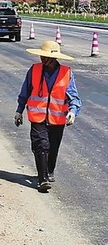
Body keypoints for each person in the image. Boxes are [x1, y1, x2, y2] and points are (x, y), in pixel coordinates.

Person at [14, 40, 82, 192]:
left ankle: (49, 171)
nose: (43, 59)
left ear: (54, 58)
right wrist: (19, 110)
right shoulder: (34, 70)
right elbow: (25, 91)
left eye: (46, 57)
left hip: (57, 119)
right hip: (37, 117)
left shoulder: (66, 73)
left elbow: (73, 95)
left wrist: (73, 111)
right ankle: (42, 179)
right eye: (42, 56)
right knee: (41, 145)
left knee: (52, 147)